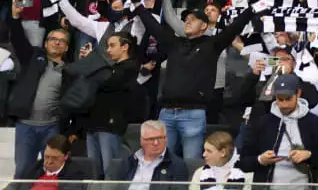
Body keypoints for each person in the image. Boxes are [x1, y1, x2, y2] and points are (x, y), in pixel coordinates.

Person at [137, 4, 258, 159]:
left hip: (193, 113)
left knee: (191, 160)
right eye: (186, 19)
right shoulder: (174, 43)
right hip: (166, 112)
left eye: (193, 20)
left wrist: (251, 7)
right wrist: (138, 6)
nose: (187, 22)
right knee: (161, 160)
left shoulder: (212, 44)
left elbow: (233, 28)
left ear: (204, 25)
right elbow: (154, 28)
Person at [63, 31, 139, 179]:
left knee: (110, 171)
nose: (108, 50)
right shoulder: (108, 68)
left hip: (109, 126)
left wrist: (93, 61)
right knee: (93, 173)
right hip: (92, 124)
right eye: (107, 46)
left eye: (112, 45)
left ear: (125, 47)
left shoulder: (129, 67)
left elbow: (108, 82)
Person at [239, 73, 318, 186]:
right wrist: (260, 160)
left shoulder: (313, 122)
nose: (284, 104)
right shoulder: (262, 123)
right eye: (280, 99)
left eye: (288, 99)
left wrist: (309, 155)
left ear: (298, 93)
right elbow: (244, 162)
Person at [8, 18, 70, 179]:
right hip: (25, 126)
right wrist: (14, 18)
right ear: (46, 43)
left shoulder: (70, 70)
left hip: (52, 127)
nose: (57, 43)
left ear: (67, 48)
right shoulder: (32, 58)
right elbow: (18, 39)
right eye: (53, 39)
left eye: (62, 41)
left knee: (51, 172)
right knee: (22, 170)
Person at [107, 119, 191, 185]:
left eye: (160, 138)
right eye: (151, 139)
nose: (156, 143)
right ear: (141, 141)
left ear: (166, 139)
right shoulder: (127, 163)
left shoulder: (177, 165)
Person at [11, 134, 88, 190]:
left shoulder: (75, 172)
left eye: (55, 158)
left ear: (66, 156)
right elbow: (17, 185)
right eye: (47, 156)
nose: (49, 161)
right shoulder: (38, 166)